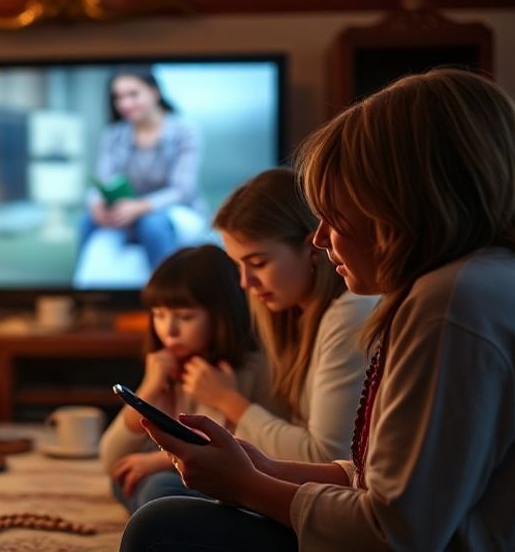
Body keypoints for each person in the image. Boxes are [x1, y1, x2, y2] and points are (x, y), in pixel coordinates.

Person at [122, 68, 515, 550]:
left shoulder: (451, 304)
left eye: (337, 216)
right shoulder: (506, 279)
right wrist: (264, 466)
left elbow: (394, 531)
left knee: (162, 525)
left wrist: (244, 485)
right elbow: (394, 482)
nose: (321, 239)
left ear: (402, 205)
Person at [207, 168, 377, 463]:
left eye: (258, 263)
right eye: (238, 267)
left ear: (312, 246)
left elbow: (326, 455)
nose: (245, 283)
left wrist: (230, 402)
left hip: (329, 498)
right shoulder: (295, 318)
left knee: (163, 495)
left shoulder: (350, 313)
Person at [99, 244, 272, 513]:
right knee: (126, 480)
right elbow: (111, 458)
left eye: (185, 317)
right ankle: (167, 519)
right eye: (159, 315)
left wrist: (158, 462)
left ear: (221, 315)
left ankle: (167, 520)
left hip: (228, 488)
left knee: (155, 487)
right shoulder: (167, 368)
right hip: (179, 484)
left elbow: (226, 454)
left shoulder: (246, 370)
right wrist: (149, 388)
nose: (169, 330)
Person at [78, 65, 206, 270]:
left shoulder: (184, 130)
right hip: (126, 210)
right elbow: (104, 179)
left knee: (151, 224)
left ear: (154, 92)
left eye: (133, 94)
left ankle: (165, 294)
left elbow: (182, 191)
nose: (125, 104)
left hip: (175, 210)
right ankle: (86, 296)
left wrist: (139, 207)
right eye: (118, 97)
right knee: (87, 221)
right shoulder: (114, 134)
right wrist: (96, 203)